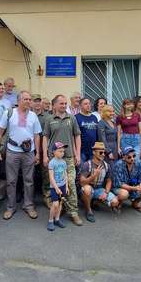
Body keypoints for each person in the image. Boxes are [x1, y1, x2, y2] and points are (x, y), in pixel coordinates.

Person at [0, 91, 41, 220]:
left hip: (29, 152)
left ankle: (29, 206)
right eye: (25, 99)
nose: (28, 101)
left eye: (29, 99)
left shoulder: (33, 116)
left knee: (29, 181)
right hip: (12, 151)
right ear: (19, 100)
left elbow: (37, 135)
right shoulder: (9, 113)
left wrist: (37, 153)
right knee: (11, 181)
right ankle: (10, 207)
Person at [42, 95, 83, 226]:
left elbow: (77, 136)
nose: (64, 105)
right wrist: (45, 155)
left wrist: (77, 154)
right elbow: (45, 138)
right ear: (54, 105)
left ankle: (73, 212)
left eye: (65, 103)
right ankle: (58, 209)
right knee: (55, 184)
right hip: (54, 159)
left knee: (70, 183)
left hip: (69, 157)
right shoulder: (49, 120)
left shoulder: (71, 118)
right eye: (61, 103)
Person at [79, 142, 117, 222]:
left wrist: (106, 193)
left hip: (99, 189)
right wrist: (93, 176)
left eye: (104, 152)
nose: (103, 154)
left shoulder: (106, 165)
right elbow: (82, 183)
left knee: (115, 202)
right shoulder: (87, 165)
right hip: (88, 188)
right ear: (94, 152)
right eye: (100, 152)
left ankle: (94, 201)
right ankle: (88, 210)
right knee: (87, 190)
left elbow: (109, 180)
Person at [111, 146, 141, 213]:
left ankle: (135, 203)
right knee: (124, 194)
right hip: (120, 188)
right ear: (123, 157)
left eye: (134, 156)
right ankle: (119, 202)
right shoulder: (118, 165)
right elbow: (119, 184)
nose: (132, 158)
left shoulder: (140, 163)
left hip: (135, 187)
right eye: (129, 157)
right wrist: (134, 188)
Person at [46, 142, 68, 231]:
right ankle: (50, 220)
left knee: (60, 204)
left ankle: (57, 219)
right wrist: (56, 188)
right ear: (54, 152)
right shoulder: (52, 163)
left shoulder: (63, 162)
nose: (62, 153)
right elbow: (51, 177)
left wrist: (66, 187)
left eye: (63, 151)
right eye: (60, 151)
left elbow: (65, 174)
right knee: (55, 204)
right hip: (55, 187)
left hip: (63, 186)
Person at [75, 98, 99, 163]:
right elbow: (74, 135)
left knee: (92, 171)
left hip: (93, 151)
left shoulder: (94, 117)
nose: (88, 105)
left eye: (89, 103)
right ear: (80, 106)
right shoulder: (76, 117)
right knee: (83, 171)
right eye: (85, 104)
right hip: (81, 151)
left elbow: (97, 134)